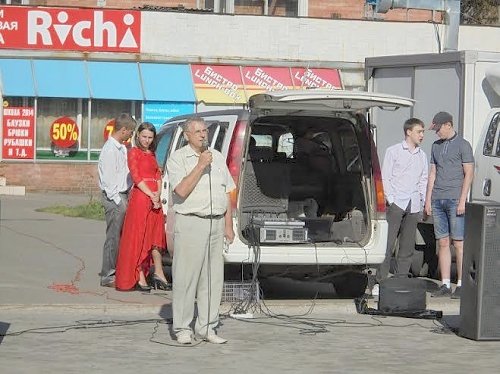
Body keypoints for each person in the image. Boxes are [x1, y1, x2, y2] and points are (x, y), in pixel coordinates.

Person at [166, 117, 236, 345]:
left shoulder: (217, 156)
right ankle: (182, 328)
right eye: (197, 131)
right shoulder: (178, 159)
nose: (203, 135)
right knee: (186, 277)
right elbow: (182, 190)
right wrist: (200, 166)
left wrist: (228, 225)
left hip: (215, 223)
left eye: (204, 131)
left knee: (212, 278)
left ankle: (207, 327)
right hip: (191, 222)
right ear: (187, 135)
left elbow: (226, 191)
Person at [372, 118, 428, 296]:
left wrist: (421, 198)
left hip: (413, 204)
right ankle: (380, 281)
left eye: (423, 132)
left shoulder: (422, 155)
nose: (422, 135)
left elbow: (424, 179)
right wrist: (391, 199)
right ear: (408, 132)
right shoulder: (394, 151)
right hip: (397, 203)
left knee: (407, 245)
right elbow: (386, 176)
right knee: (388, 243)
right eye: (419, 131)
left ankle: (401, 279)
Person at [115, 122, 170, 292]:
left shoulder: (152, 153)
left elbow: (157, 175)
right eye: (144, 136)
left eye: (150, 137)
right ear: (138, 135)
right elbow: (136, 176)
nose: (146, 140)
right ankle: (137, 274)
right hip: (141, 198)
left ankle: (158, 273)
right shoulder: (134, 152)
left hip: (155, 199)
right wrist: (151, 194)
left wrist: (157, 194)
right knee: (140, 237)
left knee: (155, 238)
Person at [424, 112, 474, 299]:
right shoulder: (435, 147)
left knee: (458, 242)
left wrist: (463, 200)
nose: (437, 133)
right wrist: (428, 200)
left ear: (448, 125)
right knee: (443, 242)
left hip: (455, 199)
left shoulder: (463, 145)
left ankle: (461, 284)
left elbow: (469, 173)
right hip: (438, 198)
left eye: (438, 129)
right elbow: (433, 173)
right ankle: (445, 284)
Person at [97, 113, 136, 287]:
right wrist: (119, 202)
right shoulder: (110, 150)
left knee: (121, 237)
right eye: (131, 132)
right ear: (123, 130)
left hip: (123, 194)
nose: (131, 135)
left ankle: (119, 270)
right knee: (113, 237)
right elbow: (108, 181)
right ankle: (108, 275)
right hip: (115, 198)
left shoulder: (121, 148)